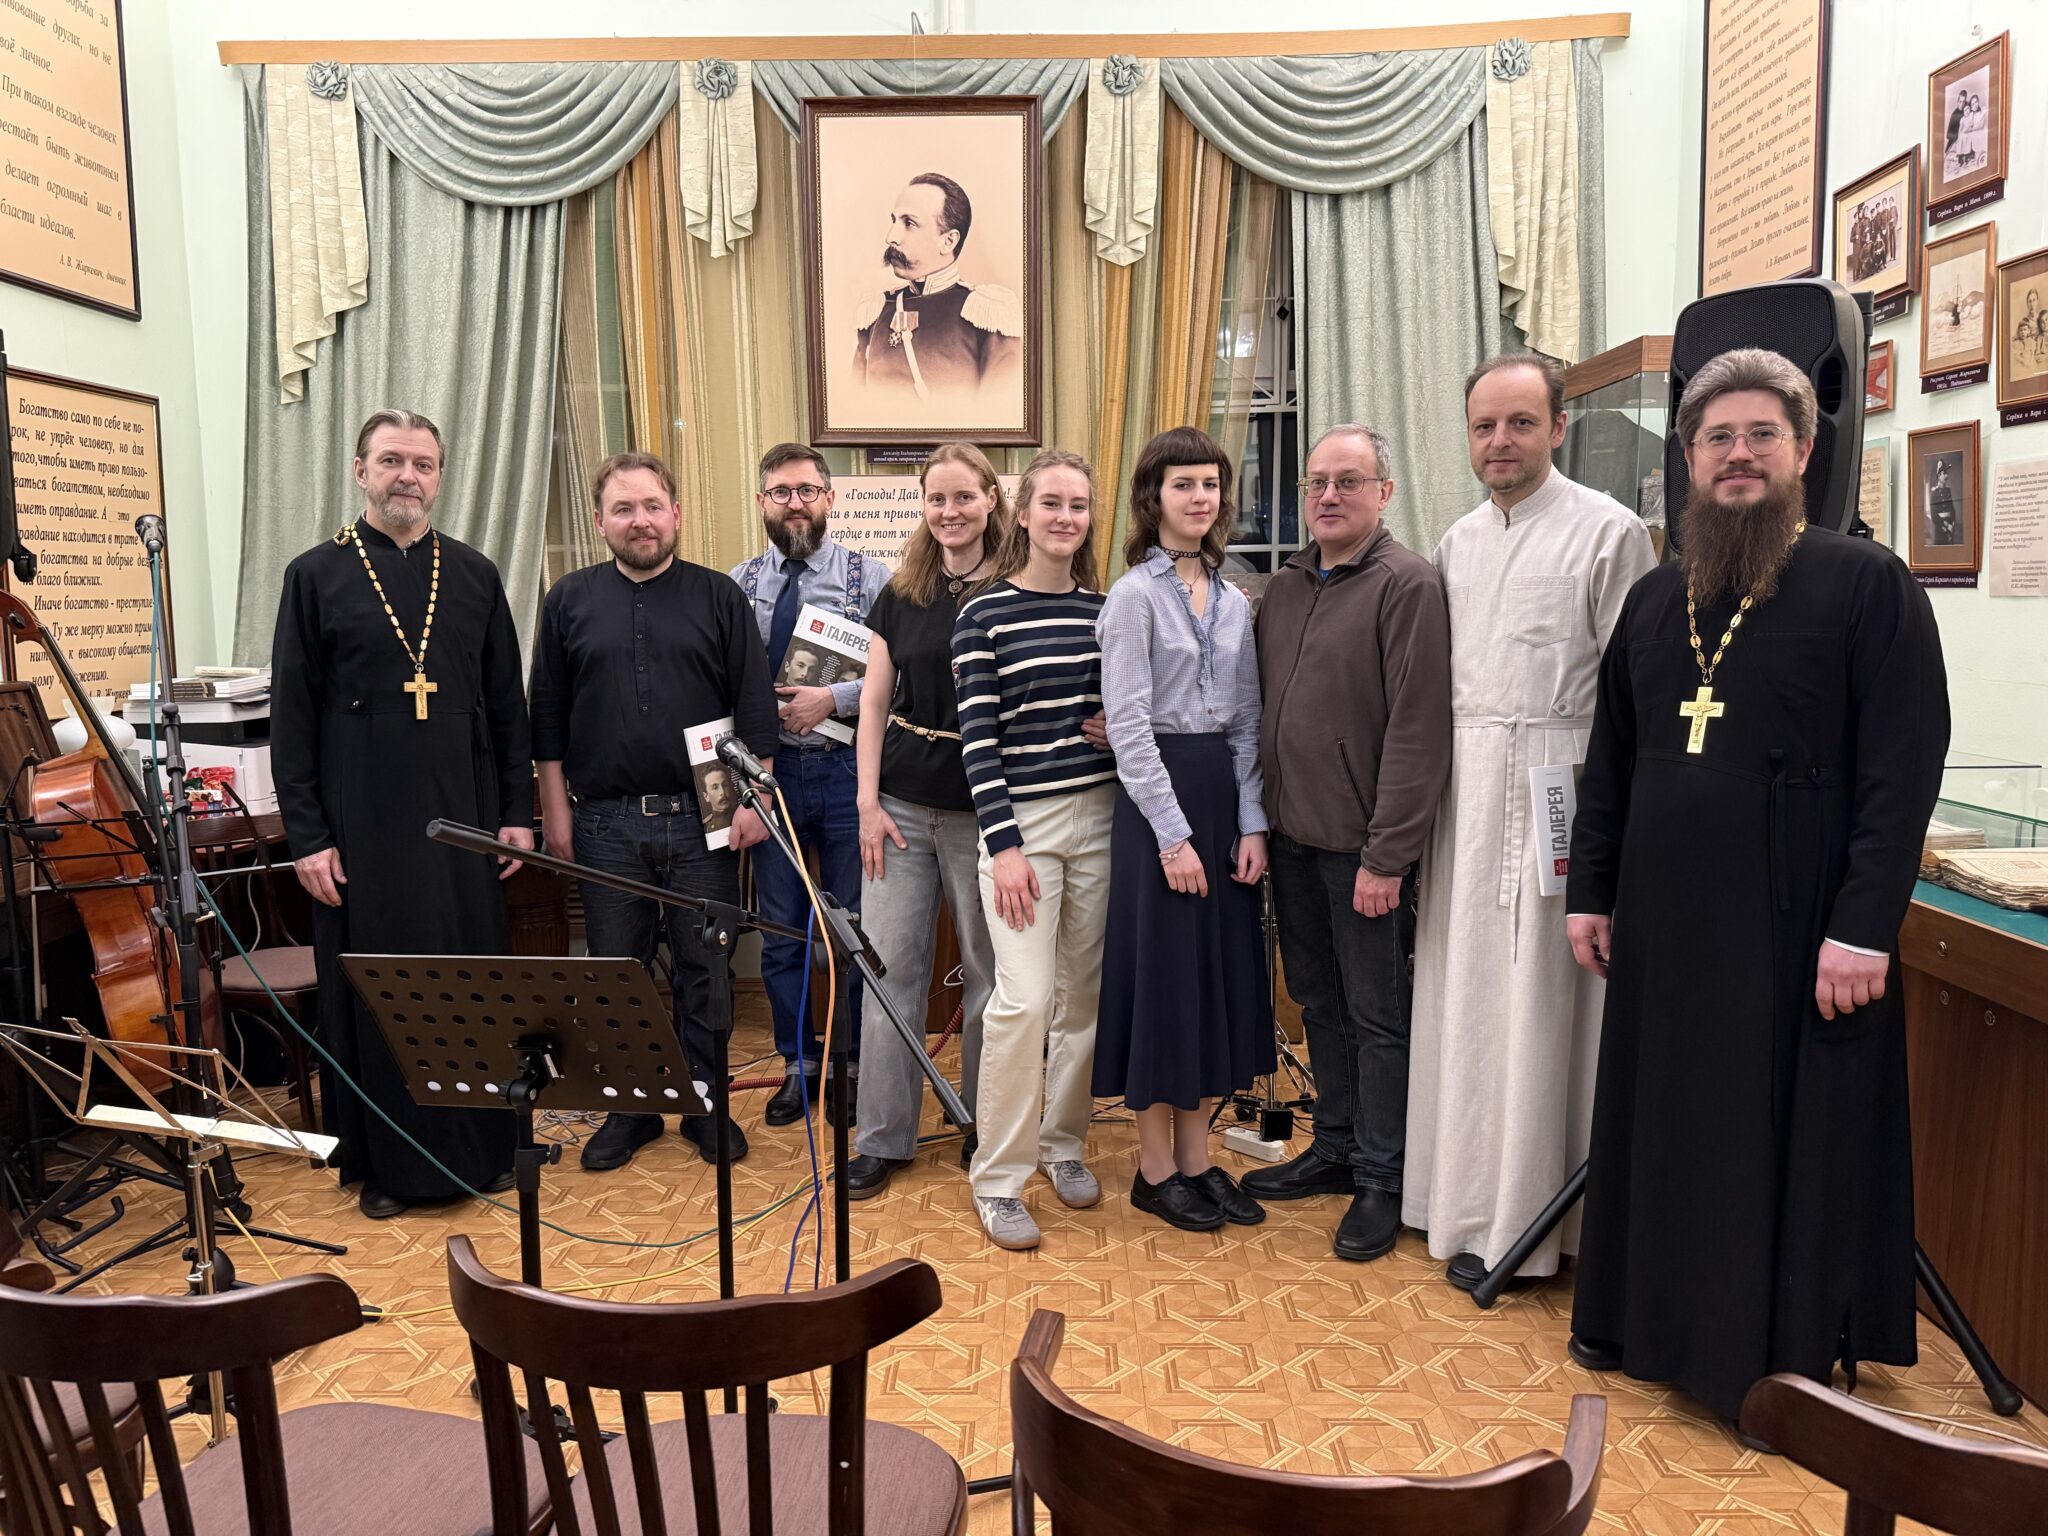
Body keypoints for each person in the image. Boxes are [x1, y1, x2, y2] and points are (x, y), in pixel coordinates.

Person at [1564, 347, 1949, 1438]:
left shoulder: (1863, 584)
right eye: (1717, 438)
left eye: (1760, 436)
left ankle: (1765, 1357)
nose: (1738, 455)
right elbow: (1612, 759)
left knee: (1770, 1139)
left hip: (1795, 929)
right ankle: (1646, 1323)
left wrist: (1863, 927)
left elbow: (1902, 768)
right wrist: (1590, 890)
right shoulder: (1656, 598)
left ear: (1803, 451)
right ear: (1688, 459)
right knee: (1664, 1123)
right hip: (1664, 928)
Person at [1404, 356, 1657, 1291]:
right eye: (1484, 427)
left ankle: (1534, 1221)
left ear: (1557, 427)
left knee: (1543, 1006)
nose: (1499, 442)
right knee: (1462, 996)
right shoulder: (1457, 541)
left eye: (1519, 423)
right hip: (1464, 799)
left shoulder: (1610, 531)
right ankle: (1456, 1201)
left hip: (1562, 789)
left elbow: (1632, 696)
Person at [271, 408, 533, 1220]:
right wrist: (308, 837)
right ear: (361, 472)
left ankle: (483, 1150)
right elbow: (292, 718)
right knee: (383, 990)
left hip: (463, 820)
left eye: (422, 464)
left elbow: (507, 706)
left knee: (471, 984)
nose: (407, 477)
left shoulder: (475, 573)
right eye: (391, 461)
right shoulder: (315, 575)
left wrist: (517, 813)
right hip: (363, 826)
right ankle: (391, 1166)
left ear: (440, 477)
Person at [530, 450, 777, 1173]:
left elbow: (754, 705)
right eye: (623, 509)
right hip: (603, 822)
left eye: (651, 506)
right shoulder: (568, 600)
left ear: (676, 513)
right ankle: (630, 1109)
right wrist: (555, 811)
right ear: (599, 520)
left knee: (706, 967)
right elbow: (546, 715)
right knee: (617, 974)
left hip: (705, 817)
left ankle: (704, 1103)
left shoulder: (719, 597)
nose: (640, 521)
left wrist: (756, 798)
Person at [1244, 424, 1452, 1262]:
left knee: (1376, 1017)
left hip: (1362, 853)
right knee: (1317, 1004)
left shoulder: (1408, 585)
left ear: (1384, 493)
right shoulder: (1287, 586)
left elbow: (1418, 730)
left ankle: (1381, 1177)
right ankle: (1332, 1145)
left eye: (1349, 481)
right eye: (1317, 482)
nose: (1328, 495)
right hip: (1292, 839)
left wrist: (1387, 856)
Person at [1095, 427, 1272, 1233]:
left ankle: (1199, 1162)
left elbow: (1248, 724)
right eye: (1183, 485)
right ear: (1153, 498)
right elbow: (1129, 728)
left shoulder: (1236, 601)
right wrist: (1172, 836)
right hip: (1155, 807)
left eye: (1210, 484)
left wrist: (1251, 823)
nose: (1200, 498)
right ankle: (1155, 1169)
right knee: (1165, 983)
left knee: (1214, 983)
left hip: (1221, 798)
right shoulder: (1132, 597)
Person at [952, 448, 1116, 1251]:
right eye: (1050, 503)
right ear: (1022, 515)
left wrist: (1122, 728)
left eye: (1078, 505)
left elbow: (1131, 711)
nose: (1064, 517)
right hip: (1024, 832)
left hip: (1102, 820)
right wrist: (1005, 845)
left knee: (1080, 1001)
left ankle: (1063, 1143)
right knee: (1021, 1003)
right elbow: (977, 744)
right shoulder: (981, 617)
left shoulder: (1106, 612)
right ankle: (999, 1178)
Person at [842, 444, 1007, 1199]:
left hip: (988, 813)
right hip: (901, 808)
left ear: (991, 499)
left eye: (963, 497)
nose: (949, 512)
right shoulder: (901, 590)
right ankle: (883, 1137)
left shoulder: (1019, 585)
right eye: (936, 498)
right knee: (889, 973)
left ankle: (985, 1124)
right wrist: (867, 804)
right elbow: (874, 701)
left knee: (990, 978)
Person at [730, 444, 890, 1126]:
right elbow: (723, 677)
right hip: (770, 777)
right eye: (780, 492)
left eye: (806, 490)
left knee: (855, 928)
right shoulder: (737, 584)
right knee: (782, 931)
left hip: (850, 771)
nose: (794, 503)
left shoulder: (872, 579)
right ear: (763, 502)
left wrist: (834, 698)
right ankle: (799, 1064)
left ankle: (851, 1064)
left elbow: (901, 675)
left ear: (829, 498)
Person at [852, 173, 1022, 400]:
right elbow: (856, 404)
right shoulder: (877, 310)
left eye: (909, 223)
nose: (891, 237)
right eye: (894, 221)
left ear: (948, 241)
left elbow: (999, 411)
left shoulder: (988, 316)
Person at [1928, 460, 1960, 546]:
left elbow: (1952, 509)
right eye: (1944, 473)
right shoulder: (1934, 493)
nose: (1947, 476)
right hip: (1940, 529)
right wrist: (1946, 527)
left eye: (1946, 473)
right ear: (1939, 476)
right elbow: (1934, 515)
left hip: (1950, 528)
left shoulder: (1948, 490)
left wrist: (1952, 524)